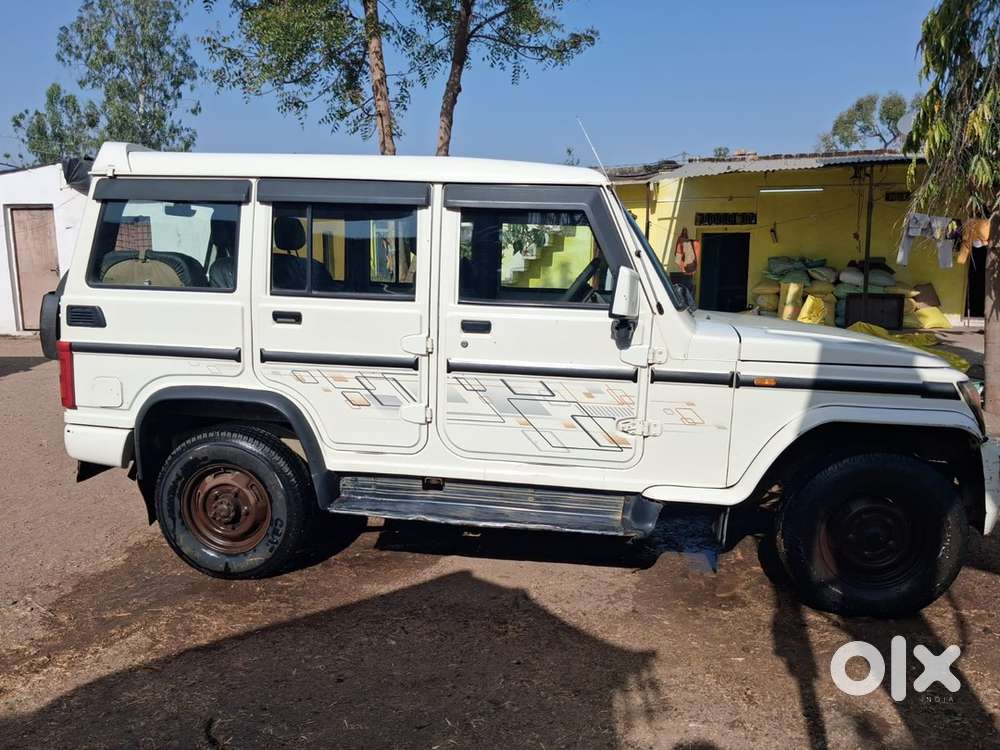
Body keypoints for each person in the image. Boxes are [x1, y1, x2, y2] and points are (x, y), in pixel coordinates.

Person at [673, 228, 700, 300]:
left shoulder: (689, 244)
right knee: (686, 291)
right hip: (687, 273)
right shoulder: (687, 244)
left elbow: (678, 258)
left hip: (687, 273)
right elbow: (678, 258)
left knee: (686, 291)